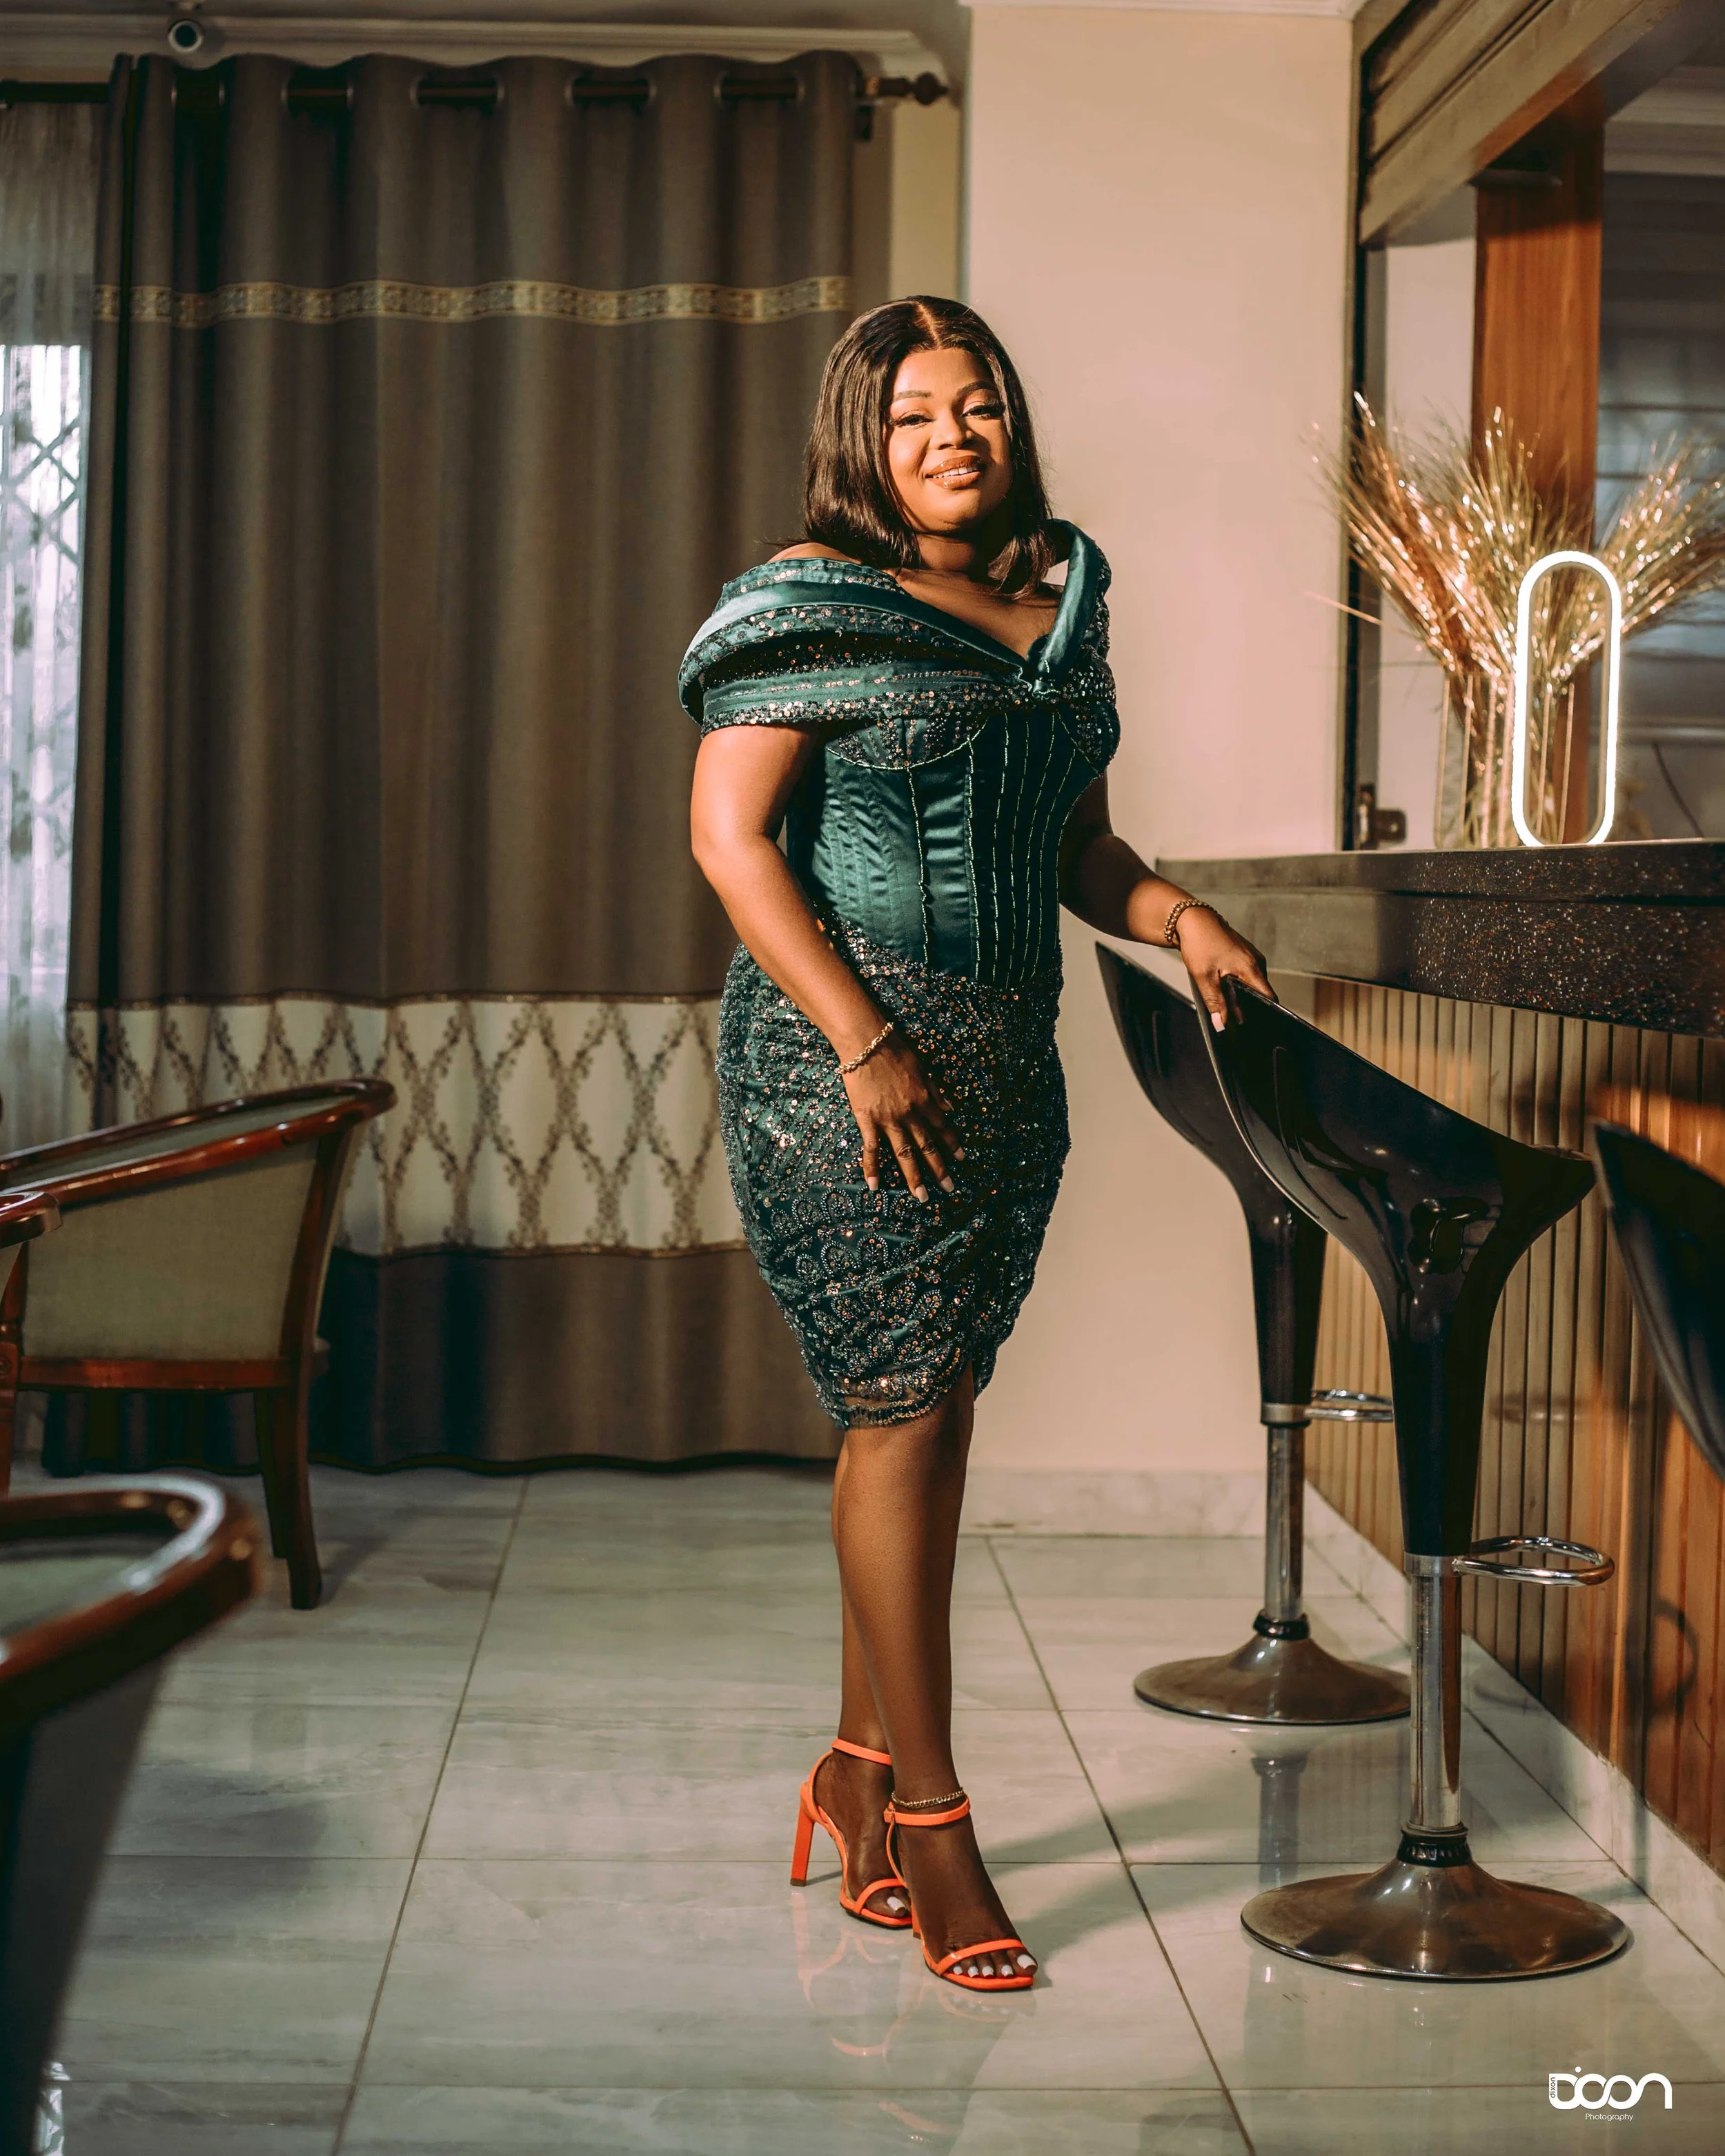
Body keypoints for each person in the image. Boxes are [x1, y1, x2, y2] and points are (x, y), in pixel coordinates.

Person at [682, 297, 1271, 1992]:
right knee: (900, 1402)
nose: (953, 434)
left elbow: (1076, 846)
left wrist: (1179, 916)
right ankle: (931, 1819)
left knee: (932, 1417)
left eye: (980, 405)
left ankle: (853, 1774)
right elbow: (731, 842)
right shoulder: (799, 602)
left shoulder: (1059, 607)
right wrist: (863, 1042)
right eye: (915, 411)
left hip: (1008, 1053)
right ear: (861, 439)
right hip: (836, 1053)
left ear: (1014, 425)